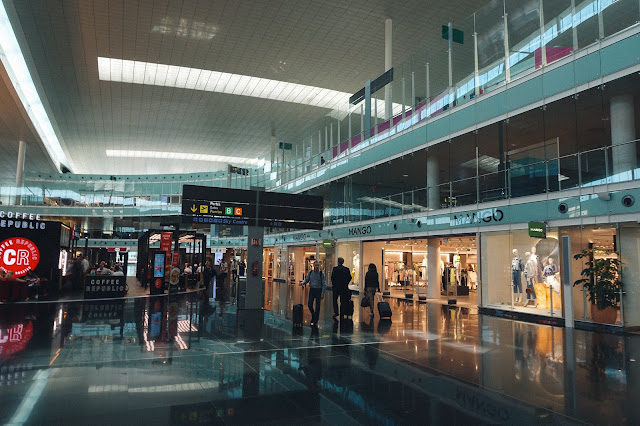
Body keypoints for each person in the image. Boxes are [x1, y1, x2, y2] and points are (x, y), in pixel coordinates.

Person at [302, 261, 326, 327]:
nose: (317, 267)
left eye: (318, 265)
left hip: (318, 290)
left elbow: (324, 283)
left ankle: (316, 320)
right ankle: (313, 314)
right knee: (309, 304)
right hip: (312, 290)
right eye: (315, 265)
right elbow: (307, 279)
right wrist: (303, 283)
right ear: (313, 266)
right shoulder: (310, 273)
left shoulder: (321, 273)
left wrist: (323, 293)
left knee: (318, 306)